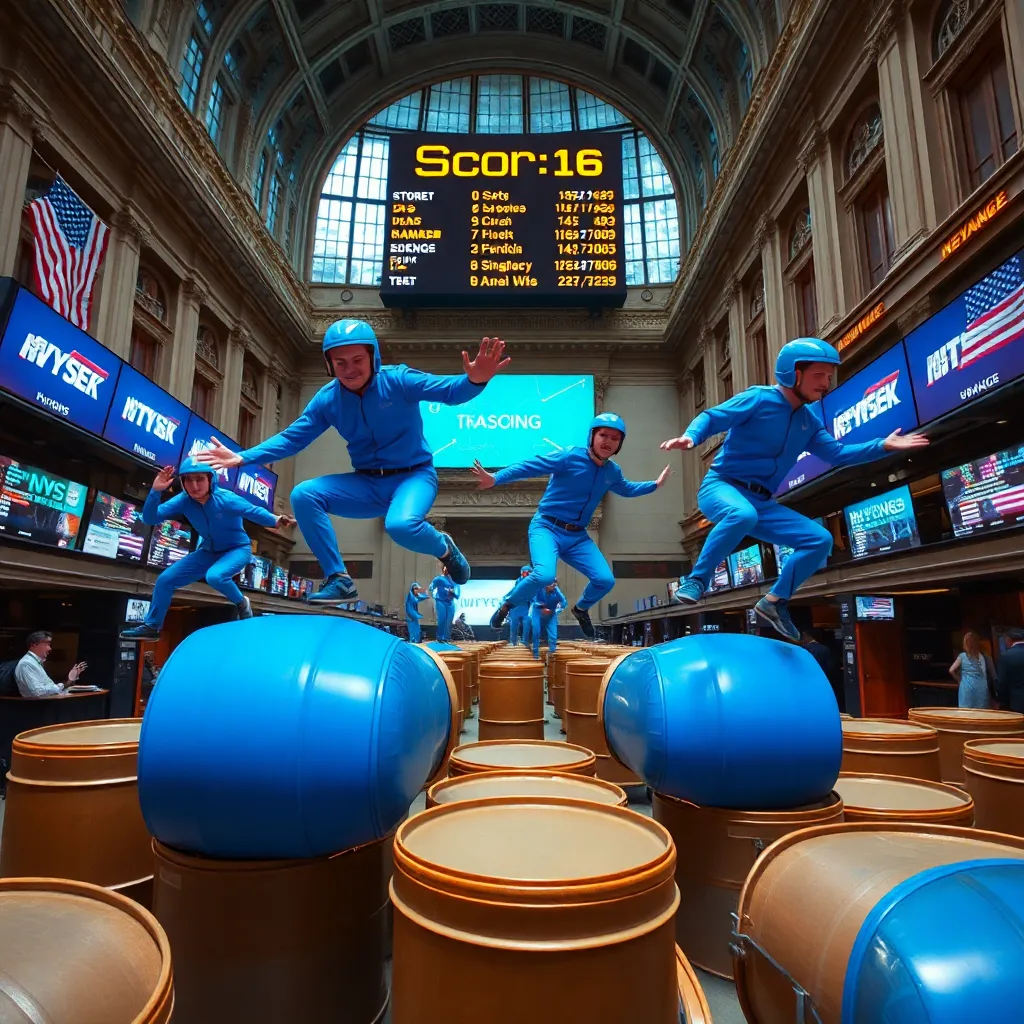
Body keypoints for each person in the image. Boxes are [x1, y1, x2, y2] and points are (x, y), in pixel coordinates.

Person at [195, 320, 510, 604]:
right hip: (367, 483)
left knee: (399, 524)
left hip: (413, 477)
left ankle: (444, 547)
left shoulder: (398, 380)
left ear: (373, 357)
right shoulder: (328, 399)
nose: (349, 369)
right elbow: (293, 438)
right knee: (304, 494)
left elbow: (449, 391)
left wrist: (476, 381)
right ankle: (339, 579)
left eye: (358, 360)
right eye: (340, 362)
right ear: (329, 364)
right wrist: (243, 457)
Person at [662, 338, 929, 641]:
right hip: (722, 487)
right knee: (741, 514)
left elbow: (838, 454)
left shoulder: (809, 422)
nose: (826, 383)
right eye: (819, 375)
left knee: (819, 539)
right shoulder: (759, 399)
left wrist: (882, 445)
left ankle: (774, 603)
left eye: (829, 376)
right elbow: (713, 417)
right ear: (794, 373)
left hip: (762, 502)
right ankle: (697, 581)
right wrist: (691, 436)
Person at [476, 413, 670, 638]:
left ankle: (580, 609)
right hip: (547, 527)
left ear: (619, 444)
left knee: (605, 580)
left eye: (614, 438)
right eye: (603, 435)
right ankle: (507, 606)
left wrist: (654, 485)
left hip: (577, 537)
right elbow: (530, 466)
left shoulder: (612, 472)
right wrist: (496, 478)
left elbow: (626, 488)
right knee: (544, 575)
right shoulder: (569, 456)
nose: (607, 441)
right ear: (592, 436)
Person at [120, 459, 294, 640]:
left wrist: (276, 520)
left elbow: (253, 511)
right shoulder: (184, 501)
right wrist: (156, 491)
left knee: (215, 576)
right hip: (208, 551)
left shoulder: (227, 499)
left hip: (237, 549)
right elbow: (150, 518)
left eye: (200, 478)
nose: (194, 485)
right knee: (165, 580)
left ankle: (242, 603)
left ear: (211, 479)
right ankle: (152, 627)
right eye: (188, 480)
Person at [15, 631, 87, 698]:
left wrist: (71, 680)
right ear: (34, 645)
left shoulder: (35, 663)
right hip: (38, 708)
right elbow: (37, 692)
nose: (50, 649)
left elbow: (50, 689)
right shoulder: (26, 664)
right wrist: (67, 682)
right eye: (47, 644)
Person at [950, 630, 996, 709]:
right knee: (981, 713)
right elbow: (993, 675)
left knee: (966, 713)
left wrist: (959, 679)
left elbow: (951, 670)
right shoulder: (984, 657)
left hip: (966, 688)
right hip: (981, 687)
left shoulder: (962, 656)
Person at [531, 581, 566, 659]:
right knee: (536, 633)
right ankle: (535, 654)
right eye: (551, 583)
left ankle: (551, 655)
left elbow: (564, 602)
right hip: (538, 613)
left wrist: (557, 610)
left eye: (554, 583)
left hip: (551, 614)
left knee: (553, 636)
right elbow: (533, 600)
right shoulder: (539, 588)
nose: (553, 585)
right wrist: (542, 606)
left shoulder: (556, 590)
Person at [997, 628, 1024, 713]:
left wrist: (1002, 701)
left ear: (1008, 640)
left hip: (1018, 703)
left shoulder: (1006, 657)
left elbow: (1002, 682)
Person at [506, 564, 534, 646]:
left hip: (526, 608)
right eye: (525, 573)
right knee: (513, 625)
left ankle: (525, 641)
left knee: (527, 624)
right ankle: (513, 642)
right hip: (515, 608)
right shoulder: (519, 581)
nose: (527, 574)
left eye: (529, 573)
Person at [431, 568, 460, 642]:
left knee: (449, 621)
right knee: (442, 619)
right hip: (441, 601)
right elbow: (431, 587)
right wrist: (433, 592)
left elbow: (457, 595)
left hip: (450, 602)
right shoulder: (439, 579)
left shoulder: (455, 581)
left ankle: (447, 637)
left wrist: (452, 592)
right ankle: (440, 637)